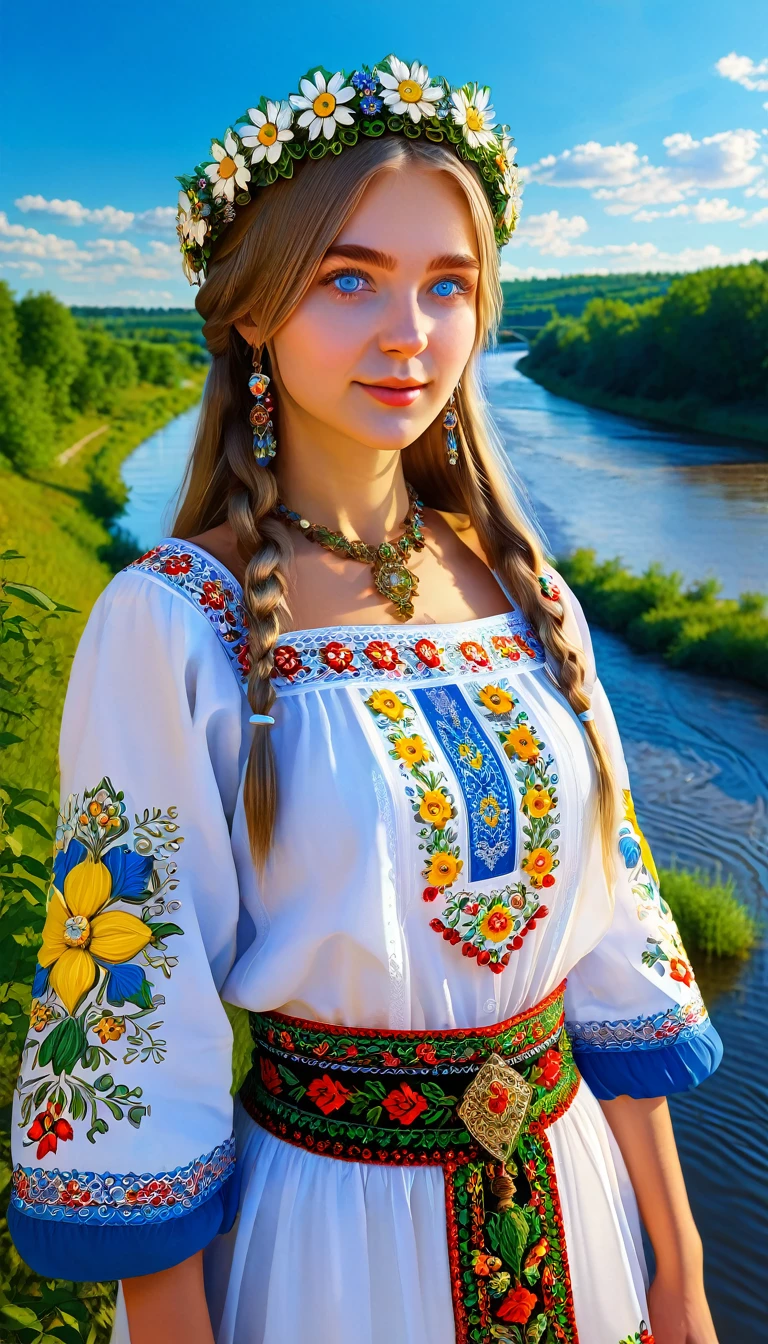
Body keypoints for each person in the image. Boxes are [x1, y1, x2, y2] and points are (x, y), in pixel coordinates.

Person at [9, 55, 723, 1344]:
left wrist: (681, 1277)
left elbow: (618, 942)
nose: (411, 333)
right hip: (333, 1248)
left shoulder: (530, 593)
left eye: (448, 285)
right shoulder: (175, 624)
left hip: (583, 1218)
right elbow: (133, 1012)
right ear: (253, 315)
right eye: (350, 279)